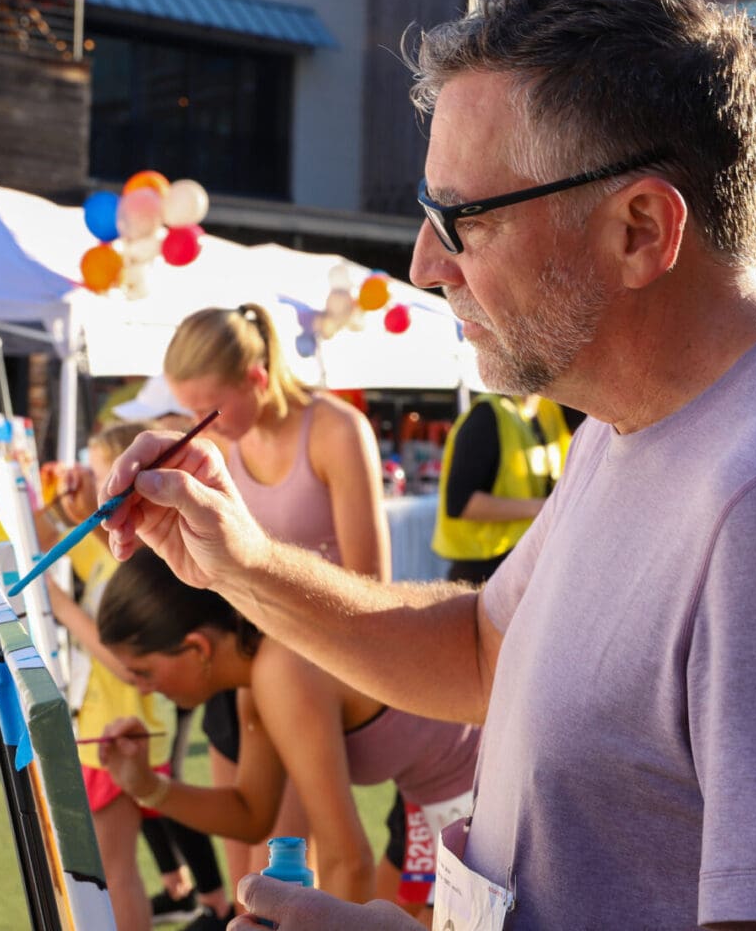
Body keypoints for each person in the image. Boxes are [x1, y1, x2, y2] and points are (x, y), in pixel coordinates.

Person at [103, 0, 756, 930]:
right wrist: (240, 565)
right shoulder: (637, 421)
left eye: (464, 218)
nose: (425, 263)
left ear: (639, 230)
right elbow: (486, 651)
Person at [93, 549, 479, 911]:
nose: (141, 687)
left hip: (483, 780)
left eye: (144, 672)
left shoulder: (282, 669)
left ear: (198, 647)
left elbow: (347, 860)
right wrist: (146, 786)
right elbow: (251, 814)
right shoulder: (261, 671)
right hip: (445, 792)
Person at [159, 304, 392, 894]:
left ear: (257, 378)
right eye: (186, 408)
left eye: (203, 408)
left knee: (280, 878)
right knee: (246, 878)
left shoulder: (335, 430)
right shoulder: (219, 443)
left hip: (305, 680)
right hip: (237, 676)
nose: (193, 423)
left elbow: (371, 587)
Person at [38, 423, 230, 931]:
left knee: (113, 872)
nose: (98, 488)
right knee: (108, 867)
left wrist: (61, 609)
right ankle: (203, 894)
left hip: (122, 725)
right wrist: (46, 488)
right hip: (108, 721)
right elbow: (45, 535)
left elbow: (128, 661)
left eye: (104, 476)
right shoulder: (111, 549)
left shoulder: (138, 560)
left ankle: (206, 896)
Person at [432, 393, 573, 585]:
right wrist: (545, 507)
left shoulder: (550, 411)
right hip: (485, 570)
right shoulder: (487, 415)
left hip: (532, 560)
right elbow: (461, 503)